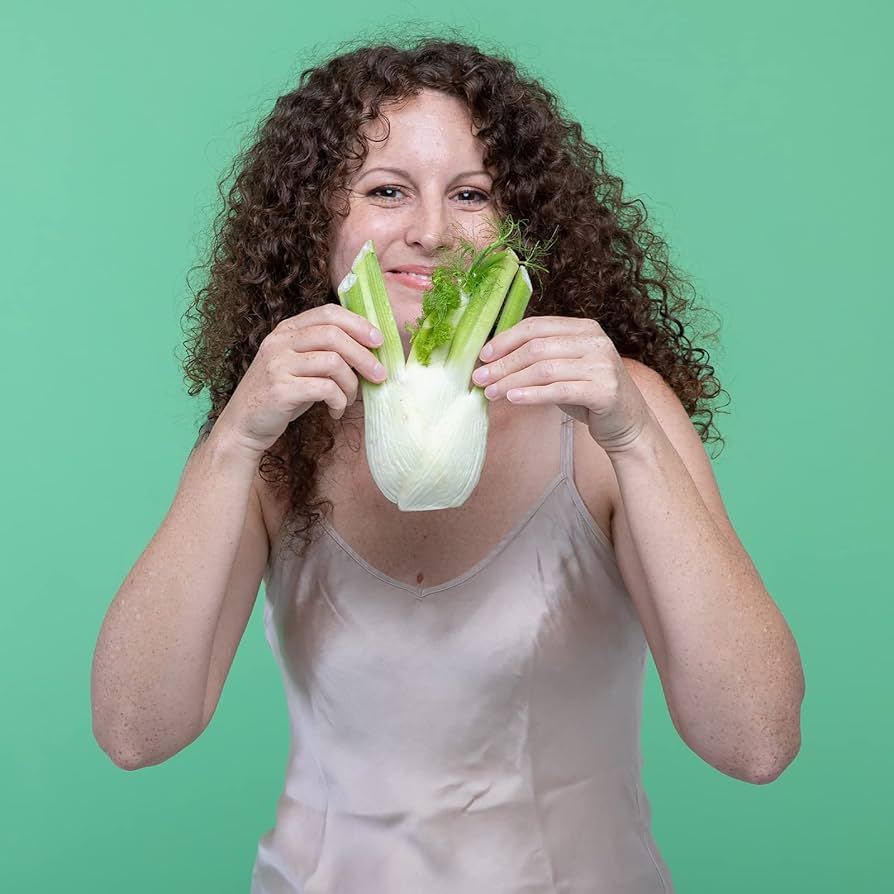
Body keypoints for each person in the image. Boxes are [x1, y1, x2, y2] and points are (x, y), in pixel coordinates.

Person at [91, 34, 805, 893]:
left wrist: (634, 437)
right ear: (318, 220)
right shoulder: (276, 431)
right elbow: (135, 732)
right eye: (385, 190)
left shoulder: (612, 412)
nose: (430, 232)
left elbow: (757, 742)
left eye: (471, 193)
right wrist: (233, 443)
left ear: (516, 226)